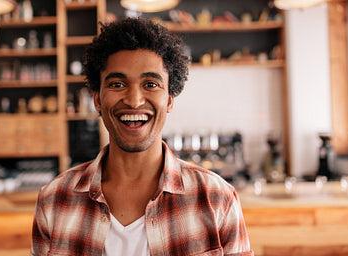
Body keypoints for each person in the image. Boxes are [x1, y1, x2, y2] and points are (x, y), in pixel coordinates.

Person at [30, 18, 253, 256]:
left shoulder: (218, 200)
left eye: (150, 84)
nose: (134, 100)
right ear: (97, 99)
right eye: (117, 84)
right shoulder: (54, 201)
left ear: (169, 100)